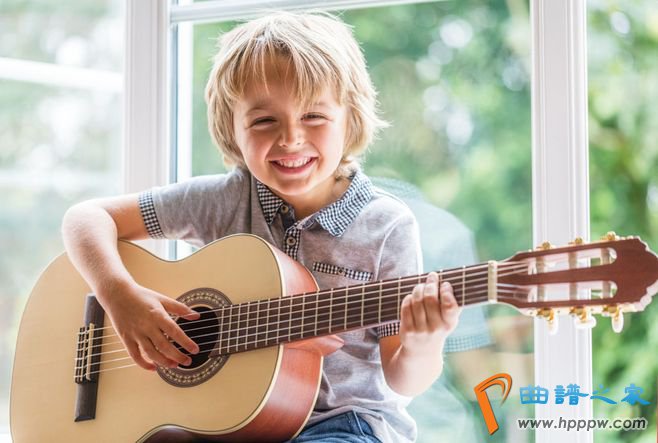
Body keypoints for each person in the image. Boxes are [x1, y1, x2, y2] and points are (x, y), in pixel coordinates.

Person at [61, 11, 460, 443]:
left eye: (314, 116)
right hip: (222, 422)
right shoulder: (225, 199)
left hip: (345, 423)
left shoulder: (386, 226)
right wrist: (119, 296)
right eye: (264, 121)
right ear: (231, 130)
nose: (290, 138)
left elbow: (403, 379)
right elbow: (86, 218)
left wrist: (423, 343)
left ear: (351, 119)